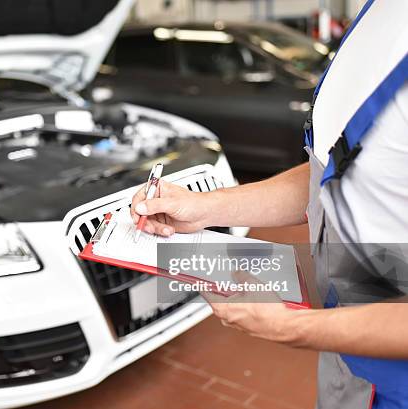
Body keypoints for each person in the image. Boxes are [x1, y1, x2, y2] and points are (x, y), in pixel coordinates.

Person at [130, 1, 407, 408]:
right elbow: (338, 175)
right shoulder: (381, 17)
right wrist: (207, 207)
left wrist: (291, 326)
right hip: (348, 354)